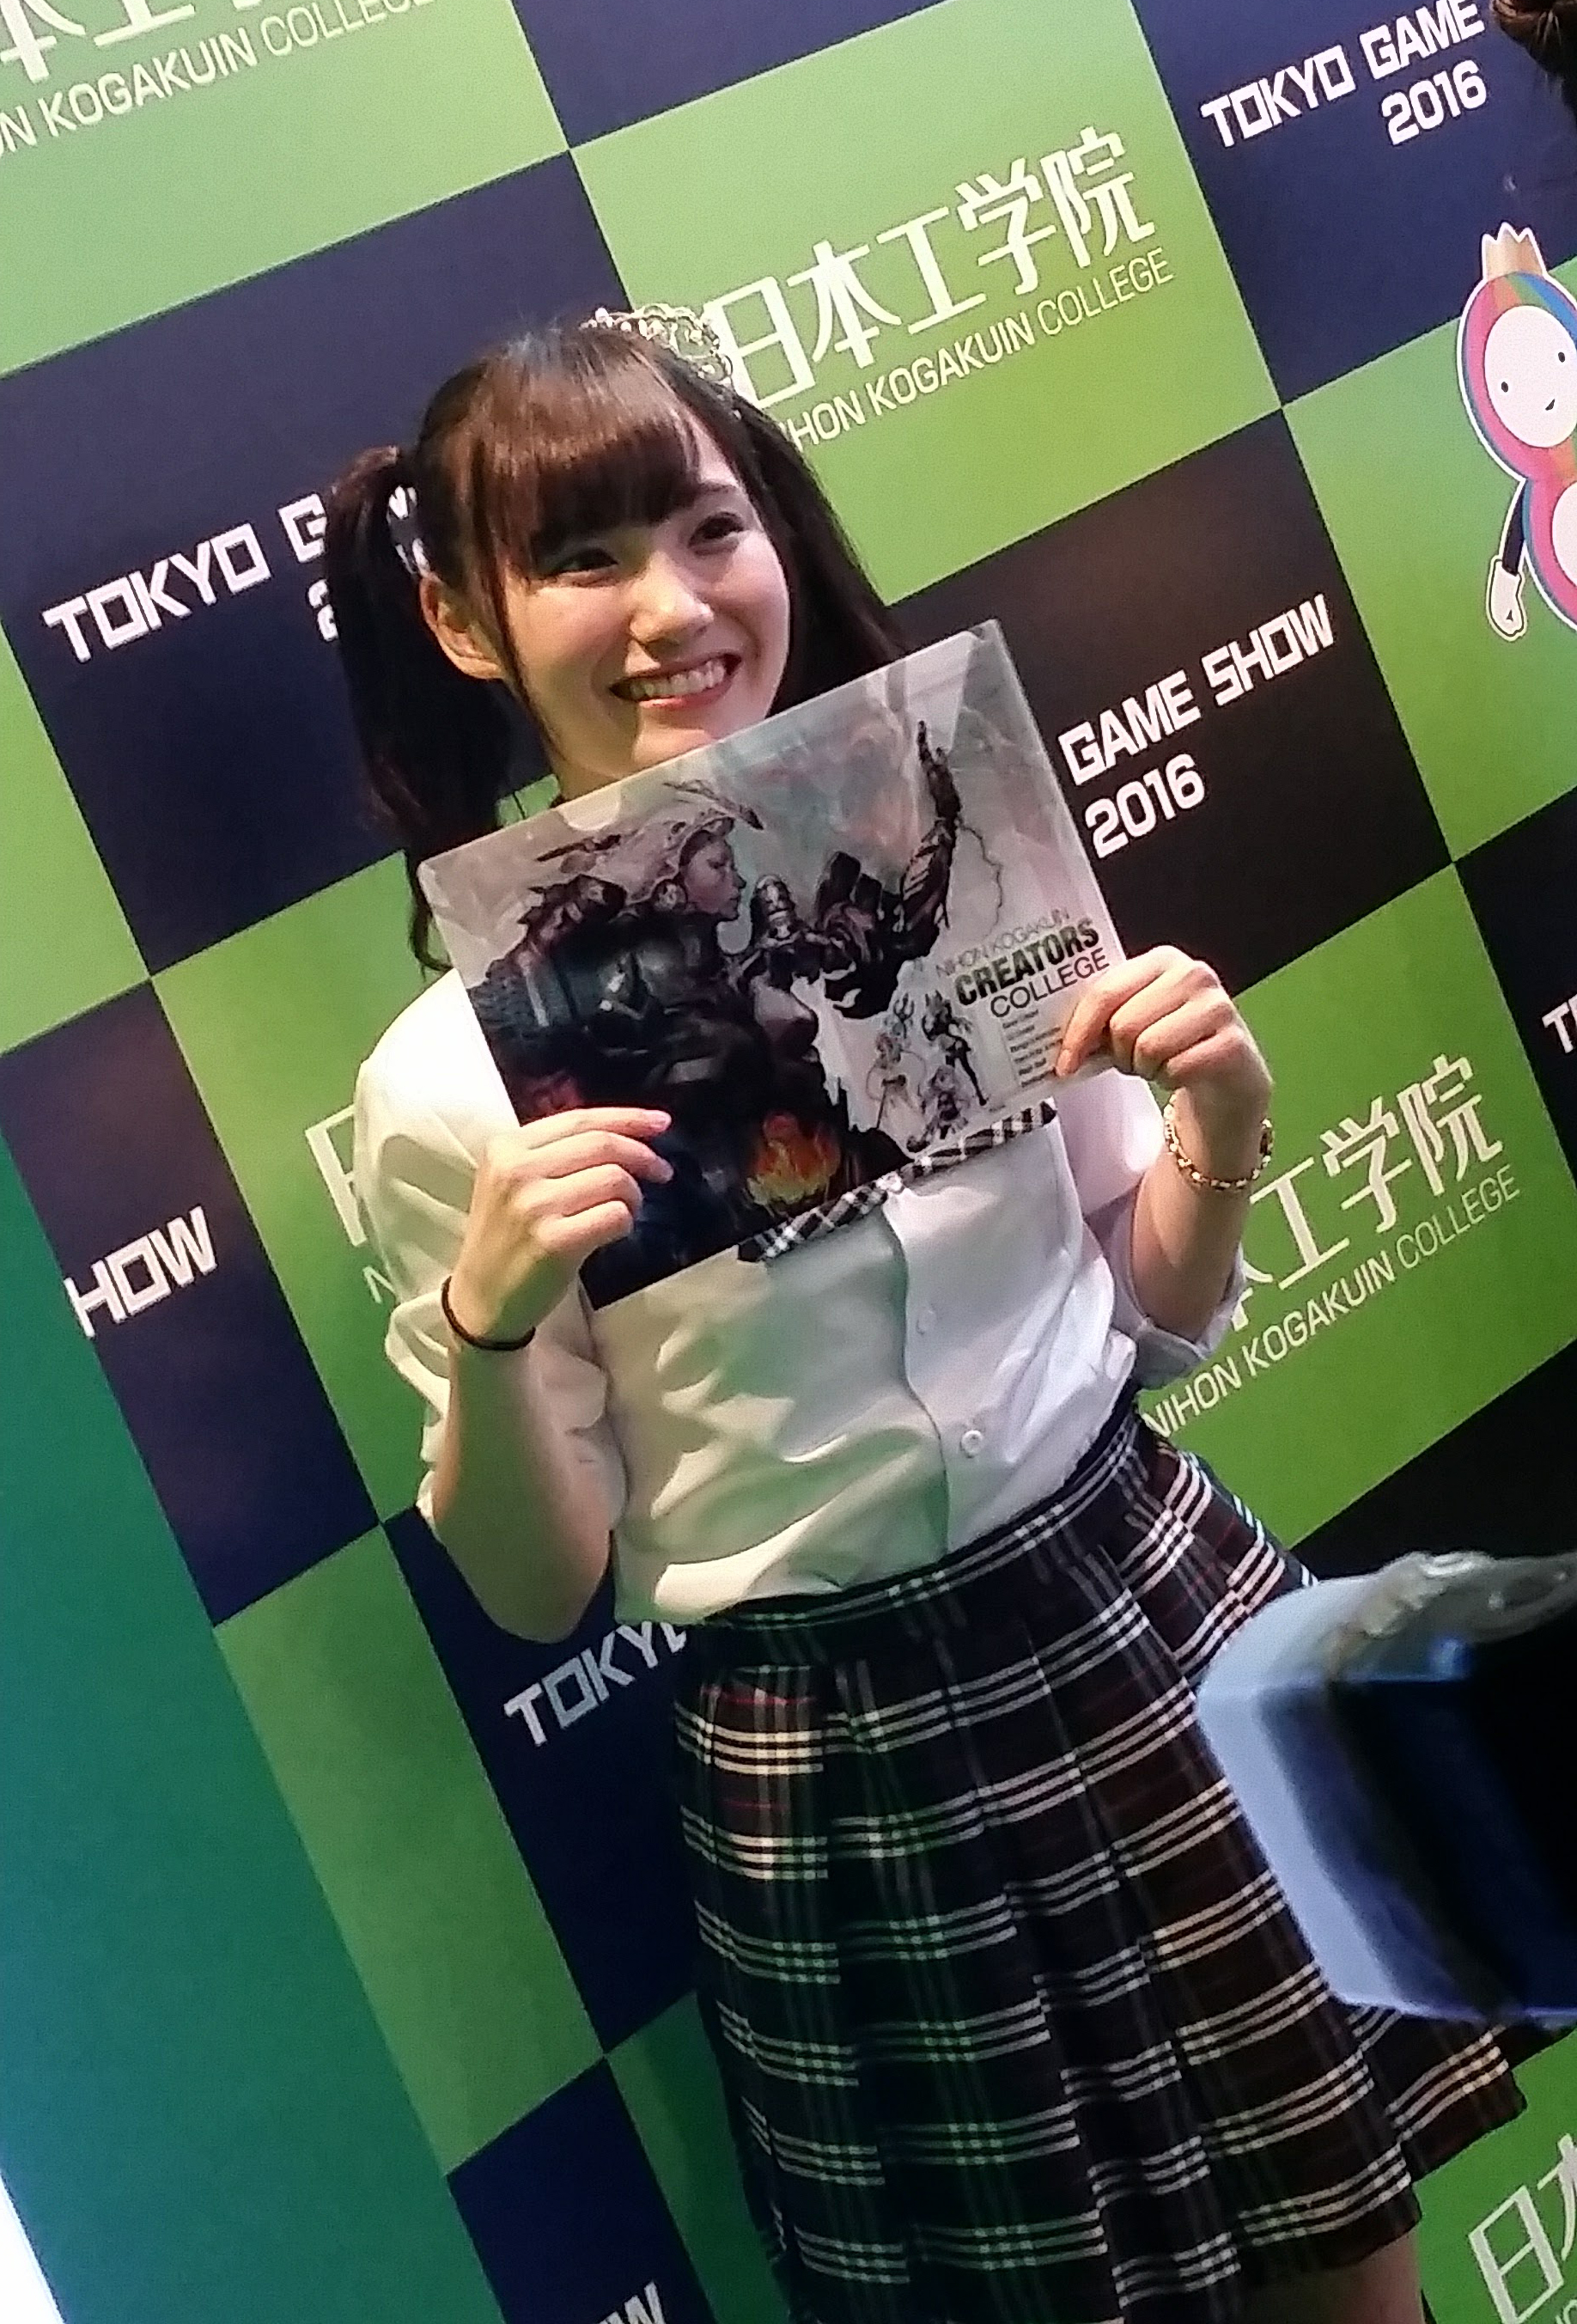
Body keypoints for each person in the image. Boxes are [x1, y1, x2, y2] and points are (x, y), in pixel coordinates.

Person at [327, 314, 1520, 2324]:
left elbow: (1151, 1311)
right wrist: (488, 1318)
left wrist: (1221, 1129)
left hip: (1138, 1602)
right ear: (466, 622)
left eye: (708, 531)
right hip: (834, 1762)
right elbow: (544, 1590)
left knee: (1354, 2272)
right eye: (585, 561)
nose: (672, 610)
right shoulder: (452, 1083)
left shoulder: (961, 850)